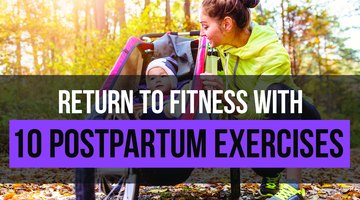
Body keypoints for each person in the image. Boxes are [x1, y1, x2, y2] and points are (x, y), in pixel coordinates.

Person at [199, 0, 320, 199]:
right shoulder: (222, 47)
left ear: (227, 24)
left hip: (301, 122)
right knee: (261, 163)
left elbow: (255, 113)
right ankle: (271, 173)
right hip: (262, 127)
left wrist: (223, 95)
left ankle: (293, 188)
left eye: (205, 27)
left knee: (278, 92)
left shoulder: (273, 55)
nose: (202, 33)